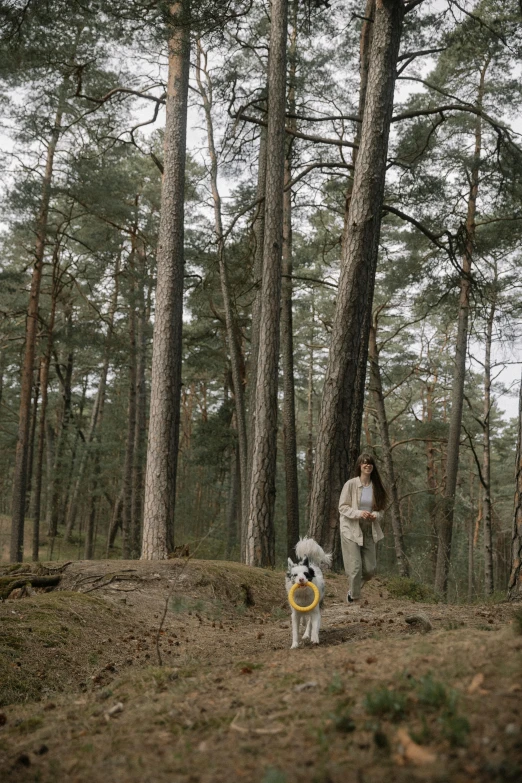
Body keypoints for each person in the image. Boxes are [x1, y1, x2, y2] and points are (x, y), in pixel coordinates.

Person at [338, 452, 388, 604]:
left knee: (370, 570)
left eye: (370, 463)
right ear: (360, 466)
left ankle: (353, 591)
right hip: (351, 528)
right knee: (355, 567)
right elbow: (342, 507)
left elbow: (381, 510)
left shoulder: (377, 487)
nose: (367, 465)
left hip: (369, 529)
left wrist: (375, 516)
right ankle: (355, 599)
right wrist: (359, 513)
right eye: (364, 463)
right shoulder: (351, 484)